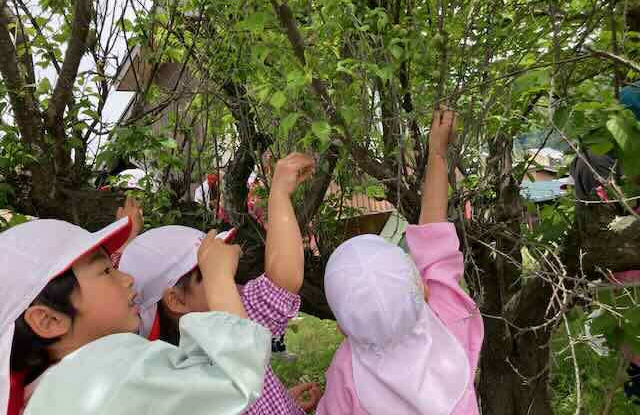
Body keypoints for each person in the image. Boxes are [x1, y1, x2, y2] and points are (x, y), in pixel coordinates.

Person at [2, 213, 272, 415]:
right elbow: (235, 378)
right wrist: (219, 276)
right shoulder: (107, 371)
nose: (128, 279)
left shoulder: (47, 392)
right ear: (48, 321)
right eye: (106, 271)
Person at [119, 153, 323, 414]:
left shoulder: (226, 312)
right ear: (176, 300)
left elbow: (282, 279)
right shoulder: (183, 378)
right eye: (209, 270)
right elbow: (285, 279)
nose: (228, 272)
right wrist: (280, 193)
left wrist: (281, 401)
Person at [315, 109, 484, 415]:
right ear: (425, 290)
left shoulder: (346, 374)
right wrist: (436, 153)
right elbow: (433, 227)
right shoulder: (447, 322)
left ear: (341, 327)